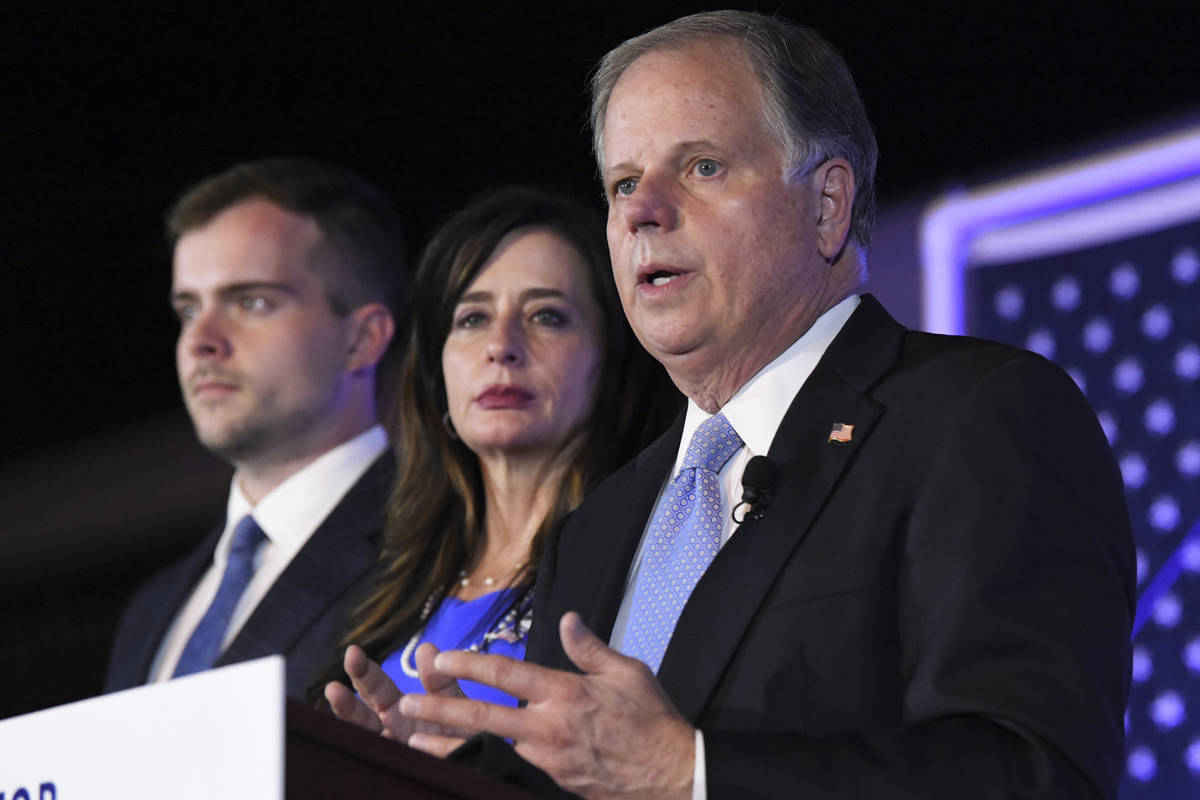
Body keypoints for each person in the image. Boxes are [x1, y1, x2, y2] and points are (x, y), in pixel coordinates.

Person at [370, 11, 1136, 800]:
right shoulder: (596, 525)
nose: (642, 211)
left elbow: (1039, 774)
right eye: (624, 183)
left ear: (828, 204)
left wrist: (691, 774)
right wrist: (426, 771)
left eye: (700, 167)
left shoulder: (977, 416)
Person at [319, 186, 679, 725]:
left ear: (611, 363)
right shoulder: (379, 585)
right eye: (472, 319)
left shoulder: (653, 562)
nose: (502, 345)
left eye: (547, 316)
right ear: (437, 377)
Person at [105, 157, 406, 700]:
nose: (202, 340)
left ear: (362, 339)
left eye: (251, 302)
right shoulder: (151, 609)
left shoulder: (435, 543)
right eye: (188, 309)